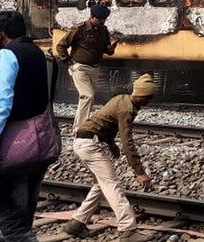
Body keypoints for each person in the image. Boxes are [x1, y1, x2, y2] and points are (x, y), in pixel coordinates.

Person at [63, 74, 155, 242]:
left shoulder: (122, 99)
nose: (150, 101)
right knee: (112, 185)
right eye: (149, 97)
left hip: (84, 142)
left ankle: (76, 223)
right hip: (90, 145)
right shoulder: (127, 109)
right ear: (141, 95)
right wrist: (139, 172)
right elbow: (128, 141)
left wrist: (111, 144)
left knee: (101, 185)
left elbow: (104, 122)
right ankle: (128, 230)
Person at [0, 11, 58, 242]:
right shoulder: (41, 54)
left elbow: (0, 105)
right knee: (24, 221)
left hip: (14, 150)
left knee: (14, 228)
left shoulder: (6, 56)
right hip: (40, 144)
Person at [56, 4, 118, 130]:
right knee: (87, 96)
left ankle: (81, 126)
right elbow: (61, 46)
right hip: (80, 67)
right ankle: (81, 129)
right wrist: (69, 63)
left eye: (104, 19)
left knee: (89, 98)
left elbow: (107, 51)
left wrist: (112, 47)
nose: (102, 21)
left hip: (94, 68)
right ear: (92, 17)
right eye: (100, 19)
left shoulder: (103, 31)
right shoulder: (79, 29)